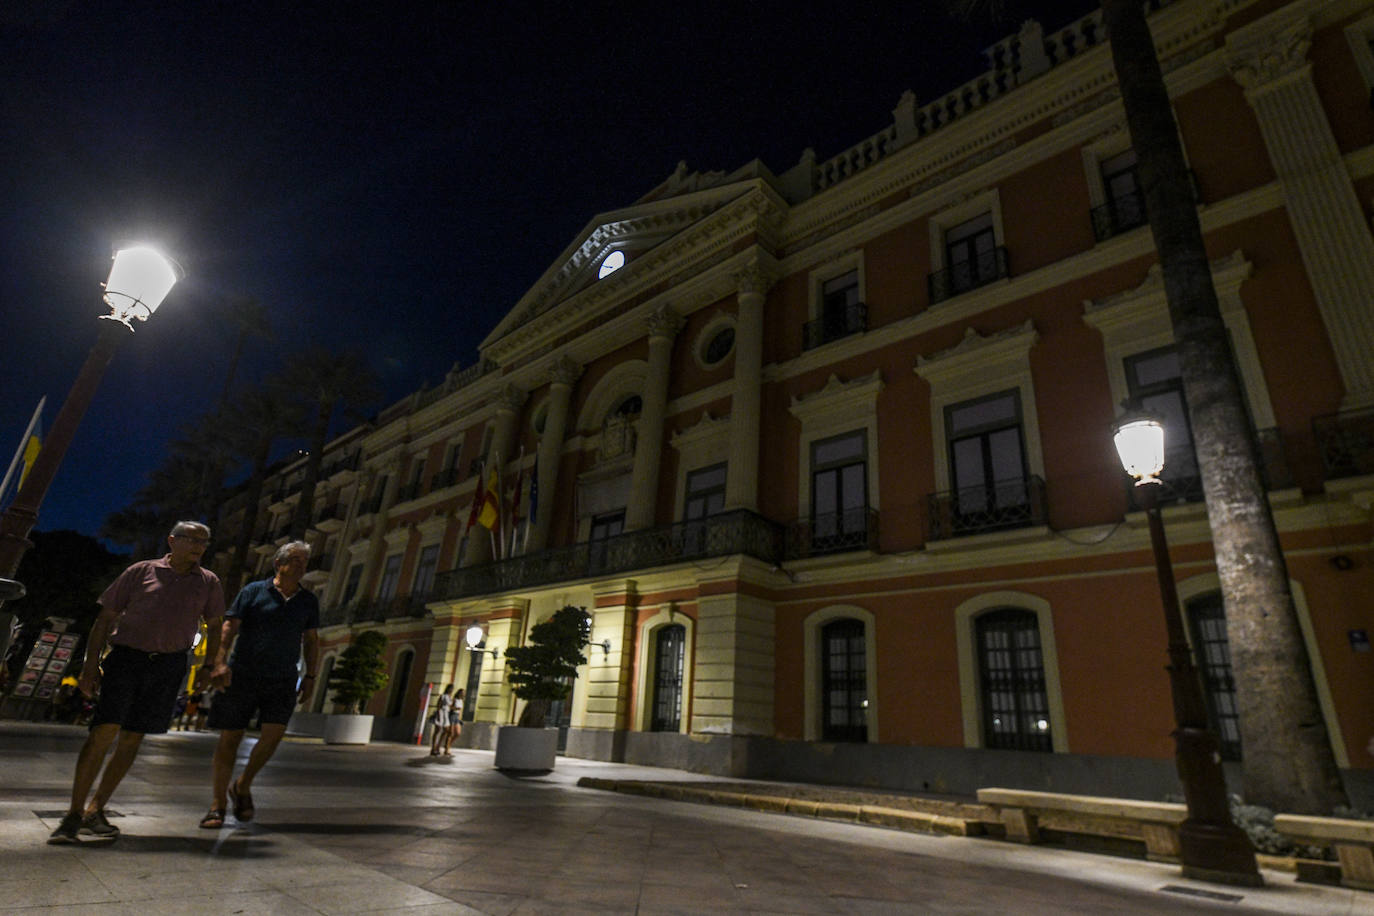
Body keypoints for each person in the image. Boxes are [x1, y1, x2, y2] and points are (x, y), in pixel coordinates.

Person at [47, 521, 224, 845]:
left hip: (169, 665)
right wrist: (90, 666)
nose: (199, 546)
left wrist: (209, 666)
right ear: (172, 540)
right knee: (103, 732)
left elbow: (214, 625)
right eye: (191, 539)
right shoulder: (142, 571)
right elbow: (105, 619)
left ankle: (95, 810)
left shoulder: (208, 582)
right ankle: (72, 814)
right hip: (127, 658)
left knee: (133, 737)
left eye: (205, 541)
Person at [201, 540, 319, 829]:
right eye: (296, 560)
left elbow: (312, 640)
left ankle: (242, 784)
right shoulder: (253, 591)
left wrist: (311, 677)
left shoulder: (308, 601)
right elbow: (229, 628)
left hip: (282, 678)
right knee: (230, 738)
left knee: (273, 735)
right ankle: (217, 806)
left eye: (305, 561)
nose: (302, 565)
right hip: (242, 673)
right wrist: (219, 662)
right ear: (278, 564)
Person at [429, 684, 453, 756]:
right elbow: (439, 705)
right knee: (437, 730)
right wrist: (439, 715)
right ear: (447, 688)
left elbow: (449, 706)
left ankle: (438, 746)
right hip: (441, 713)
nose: (451, 690)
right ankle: (433, 748)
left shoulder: (450, 697)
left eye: (452, 688)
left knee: (446, 730)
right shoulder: (443, 696)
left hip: (446, 714)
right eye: (450, 688)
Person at [445, 688, 465, 754]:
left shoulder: (462, 701)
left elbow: (460, 710)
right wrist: (455, 708)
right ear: (459, 693)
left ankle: (448, 745)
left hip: (457, 717)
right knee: (450, 733)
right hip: (452, 715)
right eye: (462, 692)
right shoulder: (454, 699)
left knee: (458, 733)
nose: (463, 694)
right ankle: (447, 749)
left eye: (464, 693)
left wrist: (460, 718)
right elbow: (450, 707)